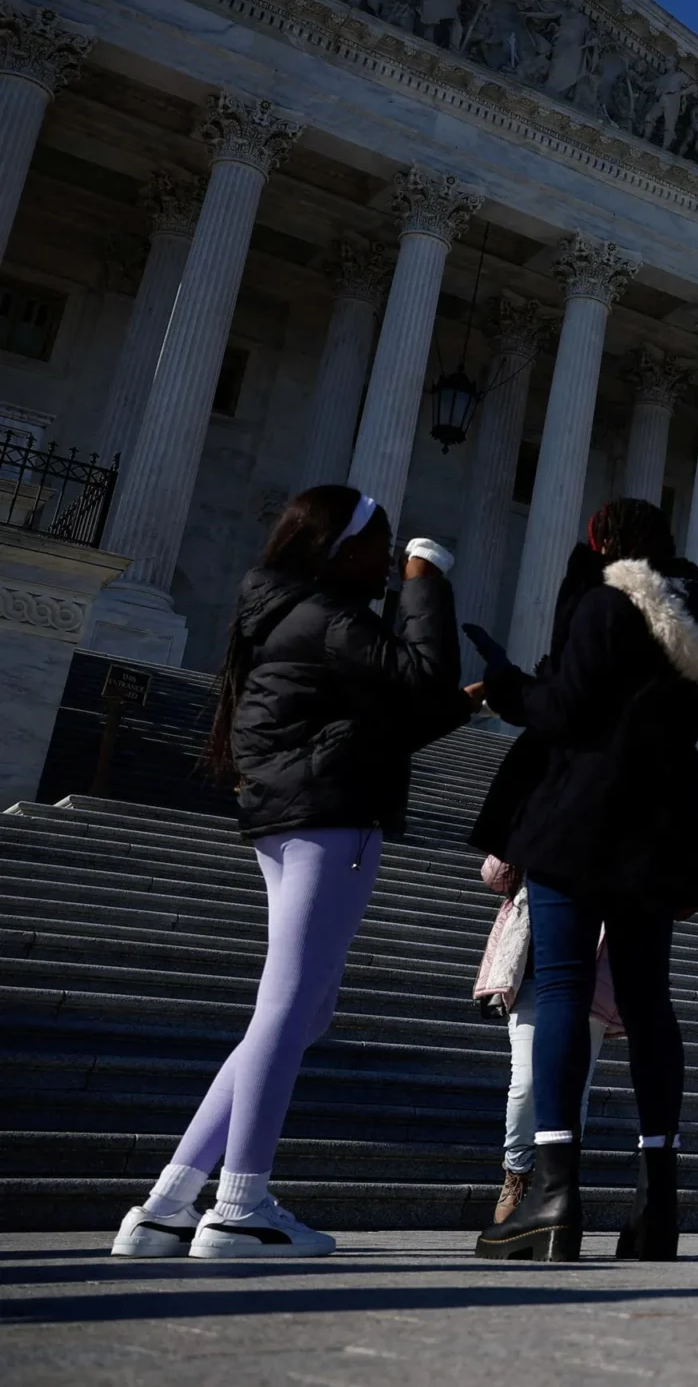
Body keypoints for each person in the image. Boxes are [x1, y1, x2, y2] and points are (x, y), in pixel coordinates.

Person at [112, 486, 465, 1258]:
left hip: (291, 811)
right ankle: (240, 1204)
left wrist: (461, 705)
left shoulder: (290, 613)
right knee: (290, 1003)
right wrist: (426, 578)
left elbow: (395, 710)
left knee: (300, 1011)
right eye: (380, 541)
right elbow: (425, 672)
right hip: (329, 815)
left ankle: (168, 1202)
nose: (389, 553)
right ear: (339, 547)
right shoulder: (331, 616)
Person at [468, 498, 698, 1263]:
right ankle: (658, 1207)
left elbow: (563, 710)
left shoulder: (608, 604)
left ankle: (555, 1196)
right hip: (661, 826)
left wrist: (502, 684)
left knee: (560, 986)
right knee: (649, 1001)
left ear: (600, 543)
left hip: (583, 814)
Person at [471, 855, 618, 1224]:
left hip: (590, 979)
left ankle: (558, 1181)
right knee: (526, 1082)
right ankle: (517, 1172)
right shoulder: (543, 816)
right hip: (533, 976)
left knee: (575, 1090)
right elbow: (495, 876)